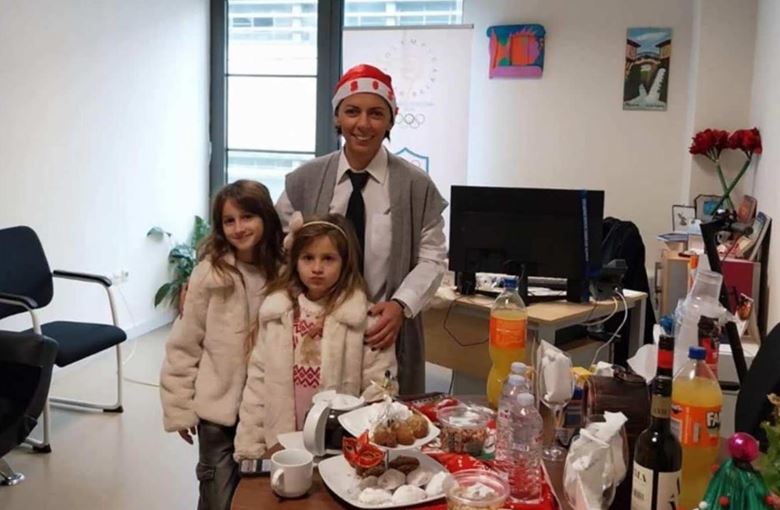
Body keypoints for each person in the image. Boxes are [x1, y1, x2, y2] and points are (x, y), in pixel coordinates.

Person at [276, 64, 448, 395]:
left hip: (382, 332)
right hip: (316, 331)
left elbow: (432, 259)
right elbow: (273, 244)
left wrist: (400, 306)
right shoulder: (305, 180)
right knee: (314, 416)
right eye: (352, 111)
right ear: (337, 116)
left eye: (376, 113)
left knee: (383, 416)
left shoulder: (416, 186)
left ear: (391, 120)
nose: (363, 124)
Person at [159, 180, 284, 510]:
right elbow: (184, 345)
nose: (239, 228)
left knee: (256, 496)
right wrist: (179, 407)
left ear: (266, 217)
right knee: (217, 496)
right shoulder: (208, 275)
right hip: (217, 414)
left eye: (247, 217)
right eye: (229, 220)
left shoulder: (285, 274)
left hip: (265, 411)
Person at [233, 213, 397, 460]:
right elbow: (257, 386)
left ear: (345, 262)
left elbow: (379, 391)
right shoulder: (277, 316)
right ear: (295, 261)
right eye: (308, 258)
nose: (317, 268)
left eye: (328, 259)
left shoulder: (364, 320)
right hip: (281, 443)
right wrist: (250, 447)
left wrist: (369, 449)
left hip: (341, 448)